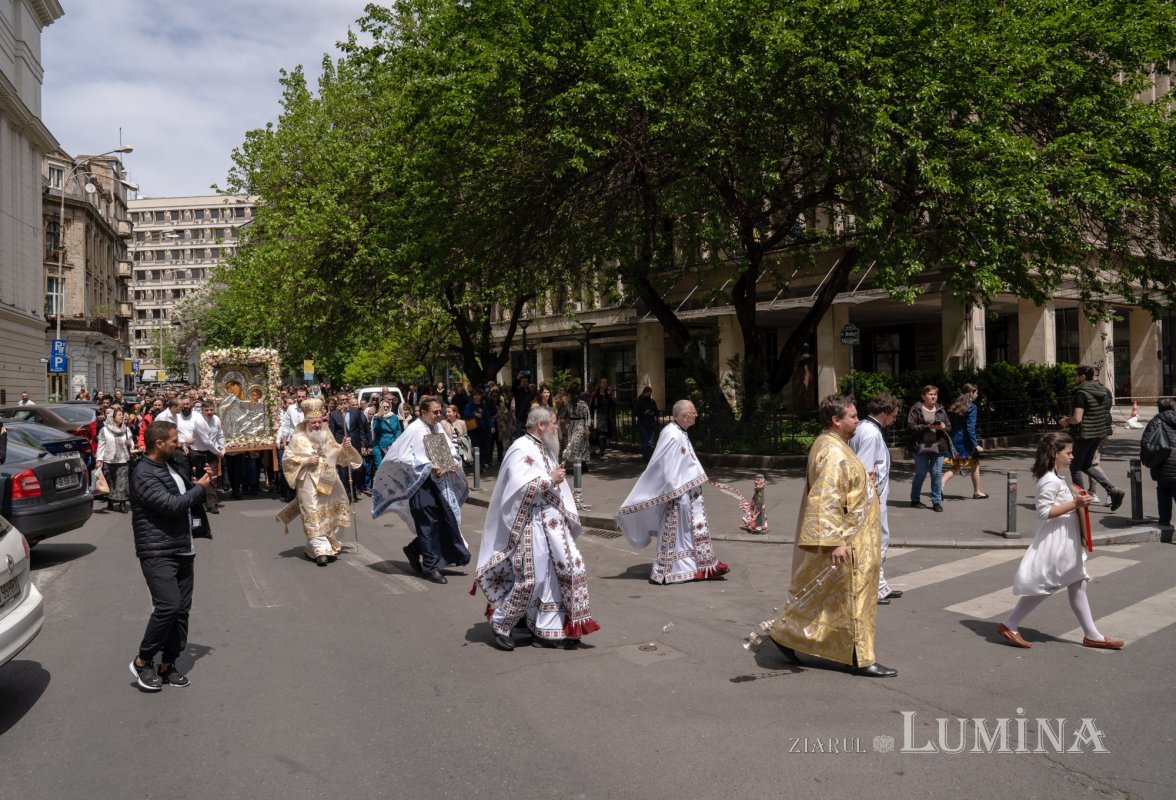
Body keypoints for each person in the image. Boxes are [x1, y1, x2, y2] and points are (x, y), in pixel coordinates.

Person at [767, 394, 896, 677]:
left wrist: (865, 482)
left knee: (827, 598)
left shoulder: (834, 444)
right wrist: (835, 541)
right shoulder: (833, 451)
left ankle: (787, 634)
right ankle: (861, 657)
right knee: (853, 598)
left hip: (851, 537)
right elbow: (826, 498)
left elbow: (845, 487)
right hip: (848, 542)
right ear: (836, 420)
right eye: (852, 416)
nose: (858, 420)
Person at [475, 406, 601, 651]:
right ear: (541, 425)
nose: (557, 426)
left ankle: (549, 628)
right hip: (529, 523)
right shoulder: (521, 448)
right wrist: (549, 480)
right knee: (531, 579)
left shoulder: (545, 447)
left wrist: (556, 480)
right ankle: (501, 623)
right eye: (554, 422)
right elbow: (518, 489)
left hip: (553, 526)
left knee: (561, 572)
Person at [996, 432, 1124, 651]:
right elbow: (1044, 512)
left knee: (1076, 582)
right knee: (1048, 584)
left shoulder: (1055, 477)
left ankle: (1092, 634)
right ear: (1055, 454)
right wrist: (1076, 502)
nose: (1072, 457)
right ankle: (1010, 624)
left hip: (1065, 537)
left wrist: (1077, 504)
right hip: (1057, 540)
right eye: (1068, 452)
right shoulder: (1049, 480)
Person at [128, 420, 214, 692]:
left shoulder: (171, 464)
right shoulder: (143, 473)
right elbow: (171, 505)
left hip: (183, 546)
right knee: (168, 606)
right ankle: (143, 661)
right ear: (159, 443)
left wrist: (201, 480)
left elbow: (184, 490)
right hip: (157, 550)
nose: (179, 443)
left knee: (181, 611)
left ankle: (168, 664)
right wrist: (199, 489)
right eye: (175, 440)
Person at [617, 400, 730, 584]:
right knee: (676, 532)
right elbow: (665, 467)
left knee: (687, 532)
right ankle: (669, 571)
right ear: (685, 416)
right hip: (678, 494)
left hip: (687, 492)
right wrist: (676, 491)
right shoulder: (672, 434)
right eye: (694, 412)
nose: (696, 415)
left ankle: (696, 566)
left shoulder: (678, 432)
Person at [372, 396, 471, 584]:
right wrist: (428, 466)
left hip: (440, 483)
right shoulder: (414, 430)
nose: (438, 415)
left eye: (439, 411)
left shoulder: (437, 427)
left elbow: (448, 450)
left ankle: (414, 549)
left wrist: (452, 462)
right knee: (427, 523)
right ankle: (430, 567)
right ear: (423, 412)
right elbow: (402, 458)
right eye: (434, 412)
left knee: (443, 520)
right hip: (420, 484)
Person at [277, 398, 362, 566]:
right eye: (313, 422)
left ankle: (325, 544)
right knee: (313, 512)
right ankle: (319, 550)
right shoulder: (298, 436)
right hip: (307, 481)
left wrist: (345, 447)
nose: (317, 425)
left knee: (331, 511)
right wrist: (306, 461)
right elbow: (287, 459)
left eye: (319, 421)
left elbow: (337, 454)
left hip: (328, 478)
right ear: (306, 422)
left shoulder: (325, 433)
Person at [849, 392, 902, 604]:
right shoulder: (870, 433)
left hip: (875, 496)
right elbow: (866, 469)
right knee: (877, 540)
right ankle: (872, 587)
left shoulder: (865, 428)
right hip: (873, 497)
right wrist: (872, 498)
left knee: (879, 539)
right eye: (894, 415)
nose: (895, 419)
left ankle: (878, 584)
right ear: (885, 412)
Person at [1060, 365, 1124, 511]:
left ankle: (1082, 502)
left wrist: (1066, 420)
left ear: (1083, 376)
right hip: (1099, 433)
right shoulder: (1102, 389)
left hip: (1084, 434)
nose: (1074, 378)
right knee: (1087, 465)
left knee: (1075, 467)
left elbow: (1077, 418)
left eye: (1075, 375)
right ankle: (1112, 489)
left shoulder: (1080, 393)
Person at [907, 385, 951, 512]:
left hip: (938, 447)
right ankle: (915, 499)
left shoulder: (941, 410)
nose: (933, 396)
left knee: (936, 474)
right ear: (923, 396)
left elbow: (949, 427)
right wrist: (928, 426)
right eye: (930, 394)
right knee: (921, 474)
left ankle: (936, 501)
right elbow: (911, 427)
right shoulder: (916, 409)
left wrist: (943, 427)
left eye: (935, 394)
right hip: (920, 447)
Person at [942, 383, 988, 499]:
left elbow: (951, 424)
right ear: (971, 393)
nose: (977, 395)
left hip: (956, 439)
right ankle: (939, 487)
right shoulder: (972, 407)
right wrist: (976, 445)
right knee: (963, 466)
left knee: (969, 464)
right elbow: (970, 427)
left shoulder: (955, 405)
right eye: (976, 393)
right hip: (966, 441)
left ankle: (976, 491)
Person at [328, 393, 370, 502]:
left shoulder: (355, 412)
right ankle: (347, 492)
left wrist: (363, 445)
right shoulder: (333, 415)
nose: (344, 402)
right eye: (342, 400)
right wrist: (334, 447)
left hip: (355, 444)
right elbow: (332, 433)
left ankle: (355, 488)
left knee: (358, 468)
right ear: (338, 402)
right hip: (341, 446)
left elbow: (361, 430)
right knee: (344, 470)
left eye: (346, 400)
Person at [1141, 398, 1176, 527]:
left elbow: (1146, 443)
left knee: (1163, 491)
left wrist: (1145, 459)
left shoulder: (1155, 421)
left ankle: (1164, 521)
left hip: (1162, 465)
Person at [96, 406, 134, 513]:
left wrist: (130, 443)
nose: (122, 417)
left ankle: (122, 503)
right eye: (119, 415)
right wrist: (99, 459)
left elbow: (132, 443)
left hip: (123, 459)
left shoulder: (126, 429)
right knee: (110, 482)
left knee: (122, 482)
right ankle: (110, 502)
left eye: (122, 415)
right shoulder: (104, 430)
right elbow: (101, 445)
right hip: (109, 460)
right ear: (112, 417)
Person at [191, 402, 226, 514]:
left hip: (211, 451)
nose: (209, 412)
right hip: (198, 451)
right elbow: (206, 441)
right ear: (202, 410)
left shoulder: (216, 419)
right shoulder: (200, 422)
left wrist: (222, 448)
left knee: (212, 477)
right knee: (199, 477)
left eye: (211, 410)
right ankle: (198, 502)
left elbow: (220, 435)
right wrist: (218, 452)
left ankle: (212, 504)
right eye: (207, 410)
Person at [464, 386, 494, 470]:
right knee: (476, 446)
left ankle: (481, 463)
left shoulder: (483, 406)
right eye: (475, 395)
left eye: (478, 395)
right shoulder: (470, 405)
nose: (477, 396)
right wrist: (474, 414)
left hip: (482, 428)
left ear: (481, 396)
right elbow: (466, 414)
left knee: (482, 446)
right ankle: (477, 464)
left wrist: (491, 426)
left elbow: (488, 417)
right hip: (473, 429)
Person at [371, 400, 403, 469]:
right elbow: (376, 430)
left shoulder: (394, 416)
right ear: (380, 407)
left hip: (392, 445)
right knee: (381, 467)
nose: (386, 408)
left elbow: (398, 430)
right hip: (380, 445)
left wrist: (399, 442)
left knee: (393, 467)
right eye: (384, 407)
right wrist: (380, 418)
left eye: (387, 407)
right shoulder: (376, 417)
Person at [588, 378, 616, 458]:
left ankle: (602, 451)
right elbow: (591, 406)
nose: (604, 384)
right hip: (598, 416)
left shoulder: (608, 395)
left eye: (605, 383)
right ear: (600, 384)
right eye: (603, 383)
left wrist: (611, 394)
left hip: (606, 417)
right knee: (598, 434)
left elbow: (613, 404)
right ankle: (599, 451)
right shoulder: (596, 394)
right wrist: (591, 417)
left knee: (604, 435)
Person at [633, 385, 659, 463]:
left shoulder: (652, 401)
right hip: (643, 423)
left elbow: (656, 412)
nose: (649, 395)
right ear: (645, 393)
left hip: (651, 423)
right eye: (648, 393)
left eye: (650, 393)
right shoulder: (640, 401)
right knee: (646, 441)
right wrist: (644, 413)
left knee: (650, 442)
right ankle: (646, 457)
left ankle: (647, 456)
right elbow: (635, 412)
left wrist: (653, 413)